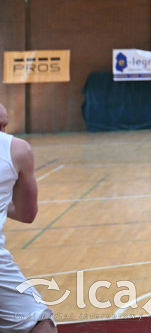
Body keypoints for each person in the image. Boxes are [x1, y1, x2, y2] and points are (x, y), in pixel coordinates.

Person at [0, 103, 57, 332]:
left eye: (5, 126)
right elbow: (26, 213)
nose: (3, 132)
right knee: (41, 324)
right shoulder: (15, 149)